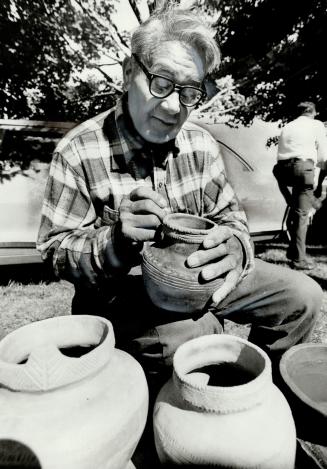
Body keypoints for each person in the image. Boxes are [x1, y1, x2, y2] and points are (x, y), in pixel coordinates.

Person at [37, 5, 322, 389]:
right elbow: (55, 251)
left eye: (190, 92)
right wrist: (114, 243)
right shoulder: (78, 150)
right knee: (195, 334)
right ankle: (180, 427)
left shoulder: (200, 144)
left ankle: (262, 401)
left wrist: (236, 247)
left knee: (301, 295)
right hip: (125, 295)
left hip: (202, 277)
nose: (174, 107)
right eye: (161, 82)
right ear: (128, 73)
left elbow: (231, 218)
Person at [273, 101, 327, 270]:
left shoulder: (288, 126)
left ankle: (292, 252)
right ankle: (299, 261)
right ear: (314, 113)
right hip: (302, 169)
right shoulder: (316, 124)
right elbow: (323, 157)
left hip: (282, 171)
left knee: (296, 209)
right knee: (302, 215)